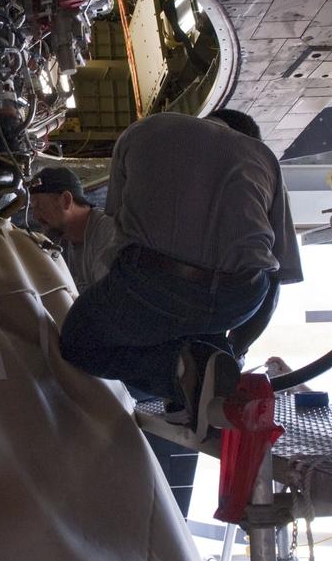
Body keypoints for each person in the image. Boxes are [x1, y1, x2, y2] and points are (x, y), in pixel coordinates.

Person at [60, 109, 302, 441]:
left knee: (77, 342)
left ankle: (179, 372)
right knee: (203, 330)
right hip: (239, 297)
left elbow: (117, 221)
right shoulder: (263, 157)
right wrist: (237, 349)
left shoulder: (144, 130)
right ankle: (197, 371)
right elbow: (277, 274)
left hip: (156, 282)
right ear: (247, 136)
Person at [28, 166, 123, 293]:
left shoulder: (107, 232)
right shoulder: (58, 239)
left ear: (66, 200)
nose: (35, 216)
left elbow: (109, 299)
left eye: (39, 206)